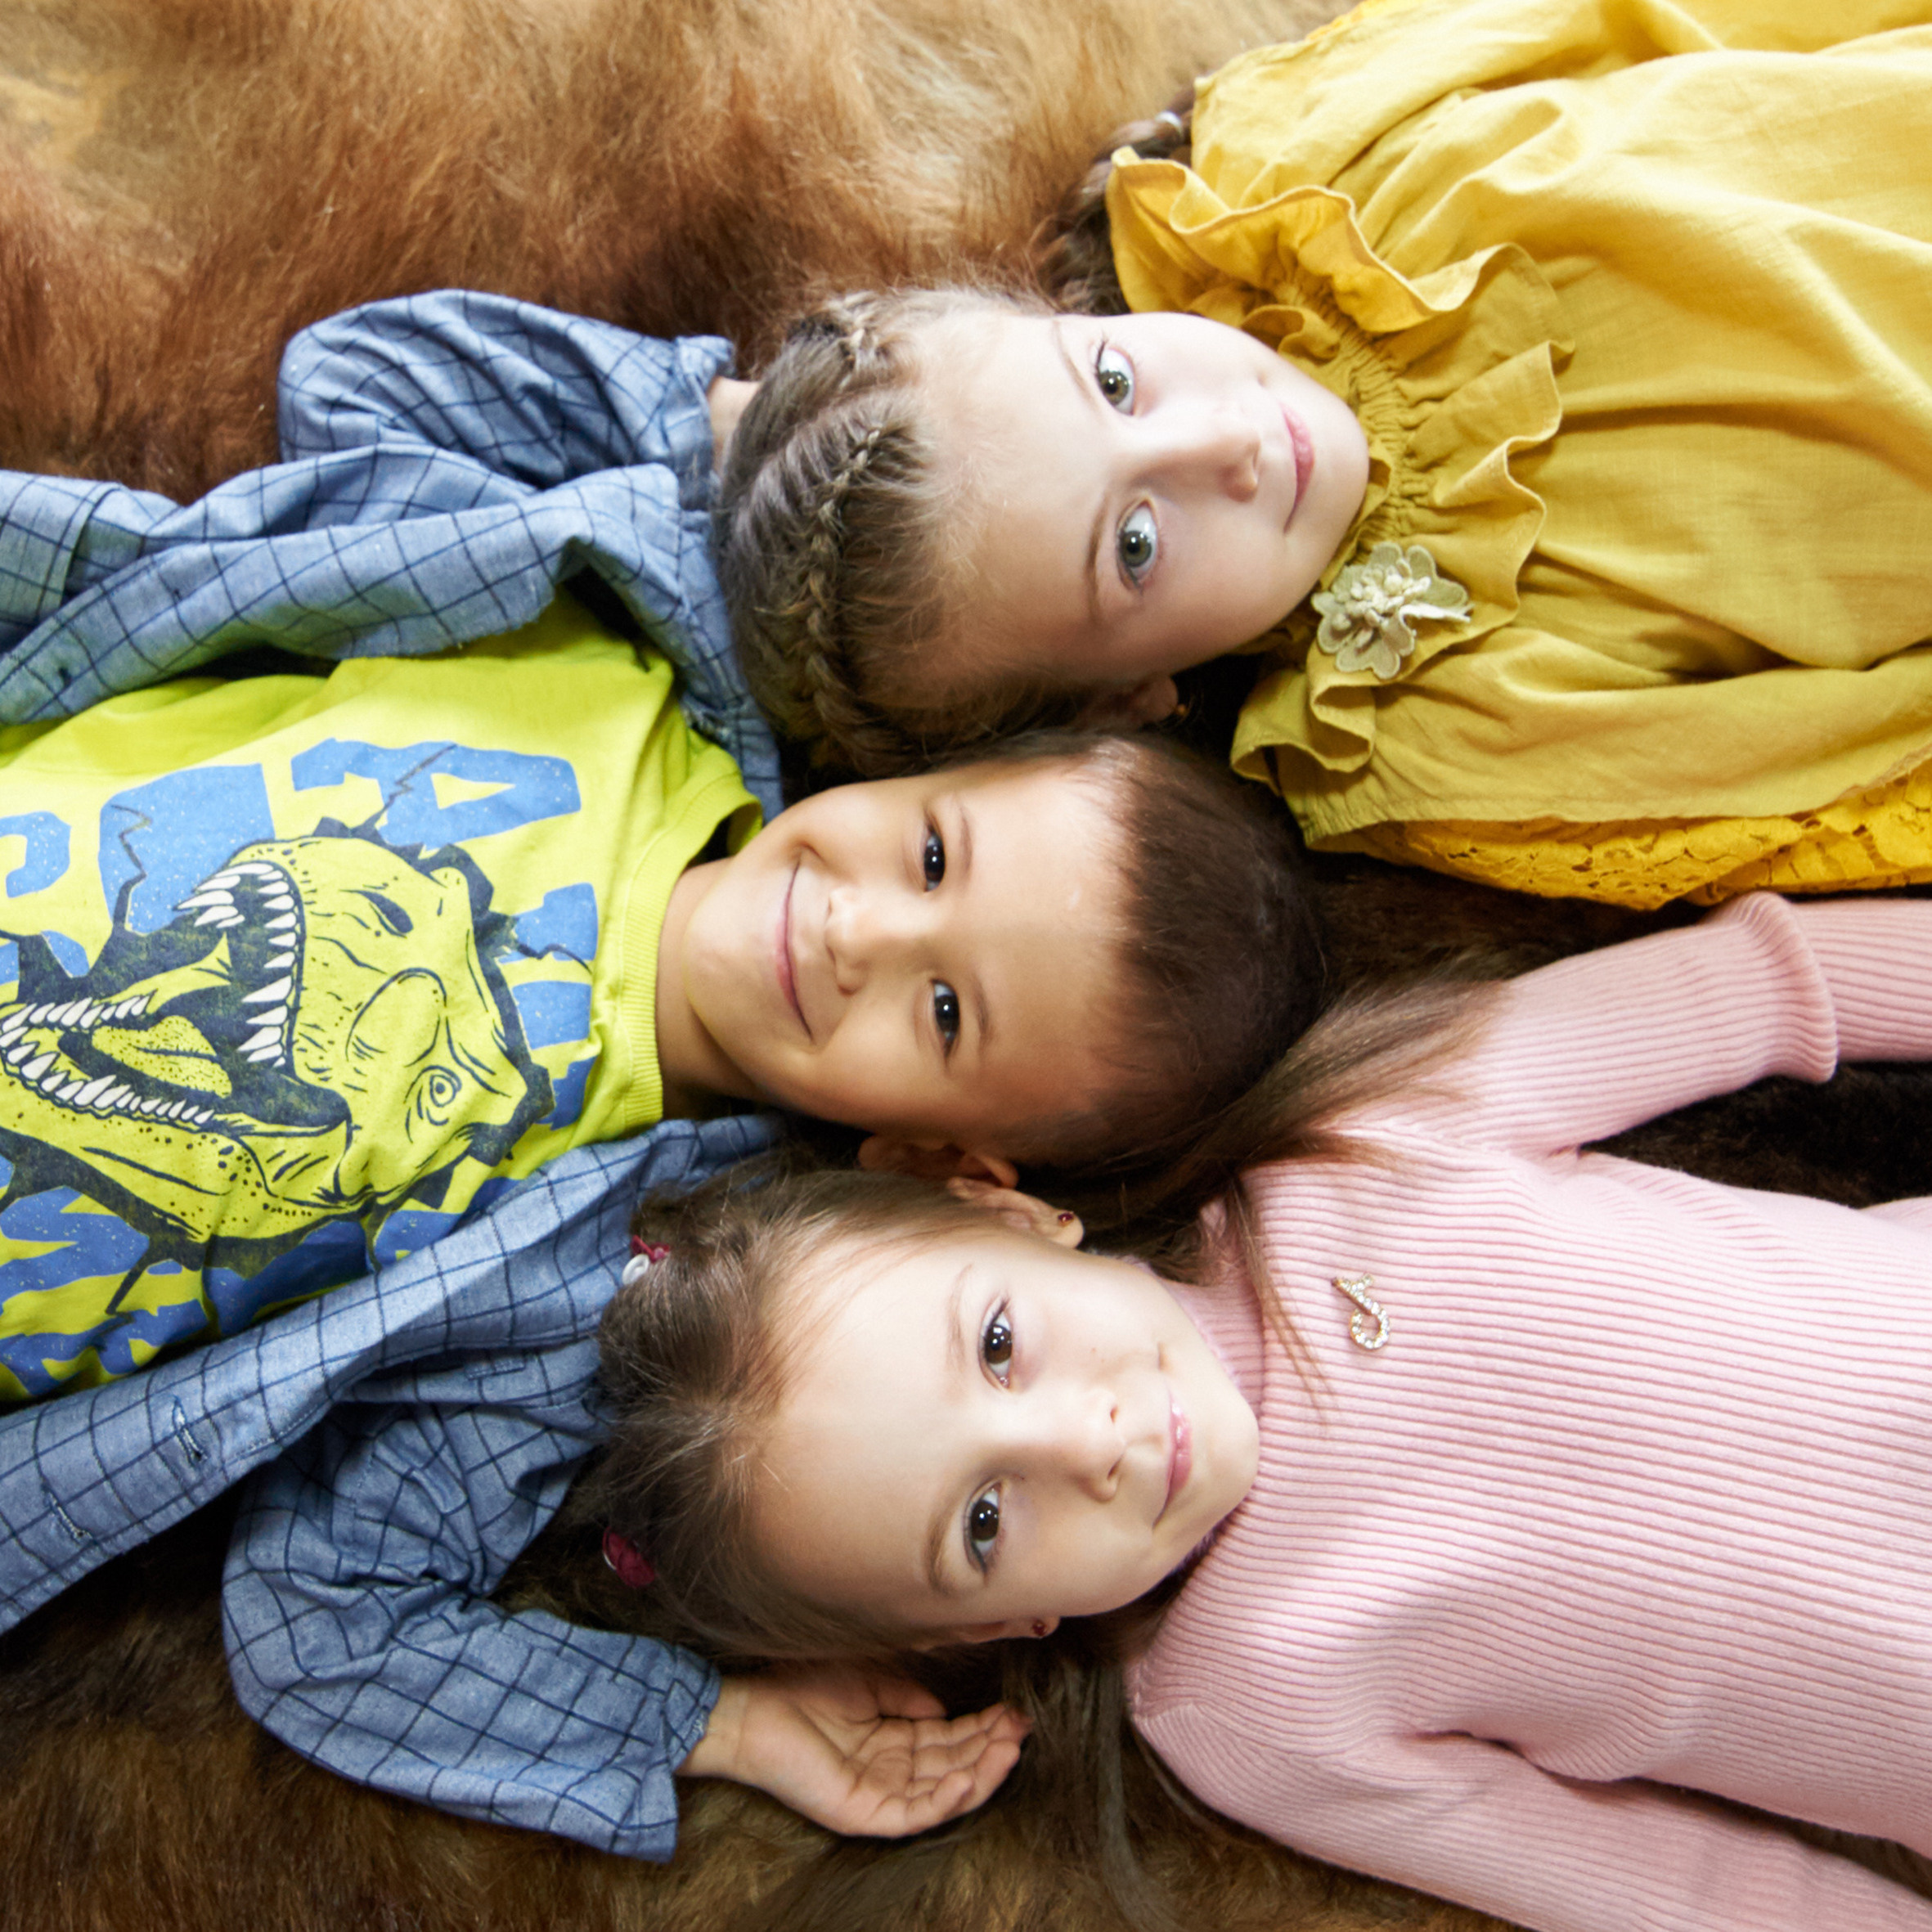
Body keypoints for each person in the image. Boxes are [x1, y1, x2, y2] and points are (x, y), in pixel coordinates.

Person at [0, 290, 1319, 1404]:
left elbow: (331, 1585)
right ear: (921, 762)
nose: (859, 934)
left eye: (943, 1010)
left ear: (931, 1155)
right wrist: (779, 446)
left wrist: (706, 1721)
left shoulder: (640, 1258)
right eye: (928, 860)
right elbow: (348, 380)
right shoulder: (633, 641)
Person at [582, 889, 1932, 1930]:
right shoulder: (1248, 1714)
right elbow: (1679, 1891)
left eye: (1000, 1343)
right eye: (985, 1521)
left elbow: (1764, 985)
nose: (1083, 1441)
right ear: (999, 1623)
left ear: (1003, 1208)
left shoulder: (1373, 1130)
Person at [717, 0, 1932, 910]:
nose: (1224, 440)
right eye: (1135, 545)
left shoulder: (1305, 161)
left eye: (1113, 378)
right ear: (1124, 699)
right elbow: (1843, 774)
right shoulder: (1435, 738)